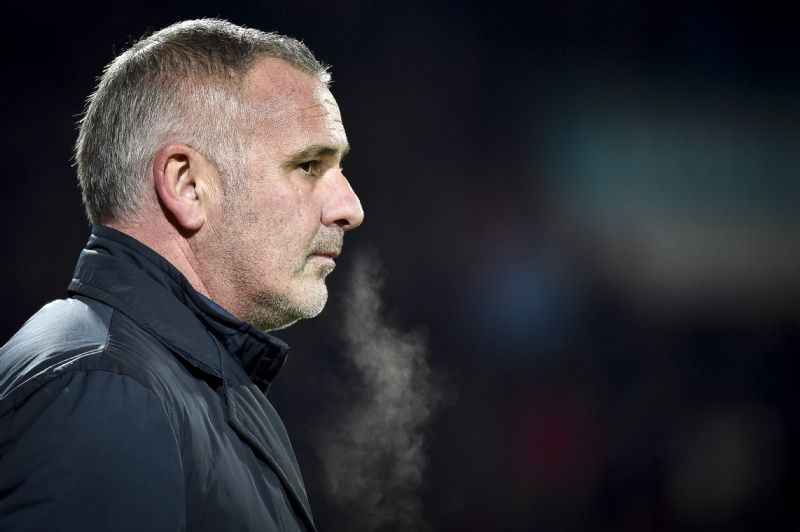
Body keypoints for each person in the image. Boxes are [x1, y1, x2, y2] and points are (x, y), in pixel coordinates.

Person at [0, 18, 363, 532]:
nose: (350, 207)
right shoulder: (108, 389)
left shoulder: (169, 381)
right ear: (187, 185)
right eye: (309, 165)